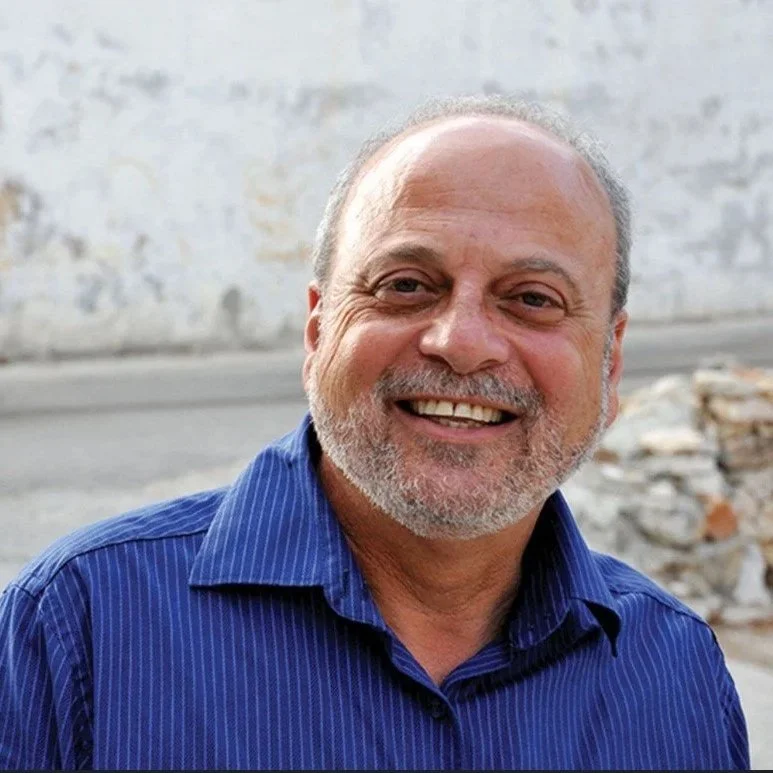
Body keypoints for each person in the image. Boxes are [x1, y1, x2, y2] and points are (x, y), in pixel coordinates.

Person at [0, 95, 749, 771]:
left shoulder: (673, 669)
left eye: (531, 298)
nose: (460, 342)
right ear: (318, 327)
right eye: (406, 286)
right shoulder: (80, 627)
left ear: (610, 360)